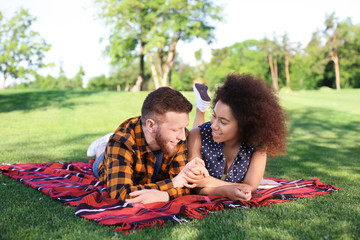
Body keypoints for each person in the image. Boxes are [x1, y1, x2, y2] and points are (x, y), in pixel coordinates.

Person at [87, 87, 208, 204]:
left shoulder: (180, 137)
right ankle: (102, 144)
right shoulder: (121, 142)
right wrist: (173, 183)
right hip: (104, 163)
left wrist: (165, 196)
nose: (182, 136)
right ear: (151, 125)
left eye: (184, 127)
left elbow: (186, 185)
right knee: (101, 155)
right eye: (175, 130)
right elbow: (121, 193)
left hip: (146, 174)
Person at [185, 73, 288, 201]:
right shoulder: (196, 136)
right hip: (200, 137)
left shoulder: (258, 147)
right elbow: (195, 185)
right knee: (200, 130)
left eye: (223, 122)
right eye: (214, 115)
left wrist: (209, 182)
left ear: (243, 126)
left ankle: (202, 107)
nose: (214, 125)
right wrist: (226, 190)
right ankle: (201, 108)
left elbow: (250, 186)